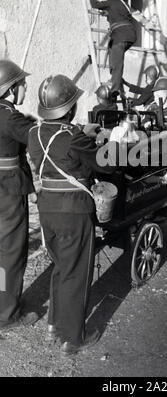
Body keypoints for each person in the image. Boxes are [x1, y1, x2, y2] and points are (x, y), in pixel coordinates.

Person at [27, 74, 115, 354]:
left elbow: (62, 148)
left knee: (61, 267)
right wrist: (107, 142)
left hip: (47, 209)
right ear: (68, 108)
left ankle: (55, 324)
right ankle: (73, 337)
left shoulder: (34, 133)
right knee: (77, 273)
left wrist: (83, 136)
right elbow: (106, 167)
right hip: (73, 211)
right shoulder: (73, 137)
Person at [0, 59, 38, 330]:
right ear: (10, 89)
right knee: (11, 252)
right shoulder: (10, 116)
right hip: (8, 189)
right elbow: (38, 138)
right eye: (22, 83)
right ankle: (8, 314)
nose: (25, 87)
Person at [88, 0, 153, 100]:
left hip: (120, 36)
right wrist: (107, 14)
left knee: (117, 64)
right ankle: (115, 79)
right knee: (114, 58)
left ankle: (115, 89)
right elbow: (122, 14)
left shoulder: (113, 1)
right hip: (130, 36)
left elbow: (95, 4)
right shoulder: (125, 4)